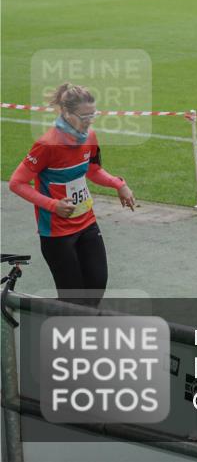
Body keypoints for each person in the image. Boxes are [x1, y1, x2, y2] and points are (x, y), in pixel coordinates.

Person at [8, 83, 135, 307]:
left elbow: (93, 170)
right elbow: (17, 183)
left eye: (92, 115)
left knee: (95, 287)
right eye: (83, 116)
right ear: (65, 113)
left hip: (86, 223)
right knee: (73, 300)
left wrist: (119, 184)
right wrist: (52, 204)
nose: (89, 121)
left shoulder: (90, 137)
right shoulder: (47, 145)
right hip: (56, 234)